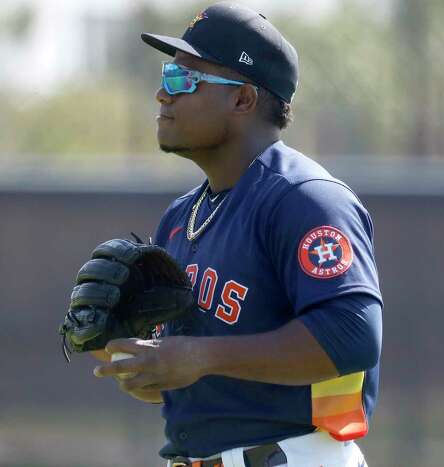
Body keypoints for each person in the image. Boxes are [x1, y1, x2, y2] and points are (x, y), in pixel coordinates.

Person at [90, 3, 382, 467]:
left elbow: (351, 337)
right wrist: (146, 364)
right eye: (168, 75)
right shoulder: (180, 216)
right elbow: (202, 372)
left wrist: (198, 357)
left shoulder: (305, 199)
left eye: (184, 79)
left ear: (243, 99)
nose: (163, 94)